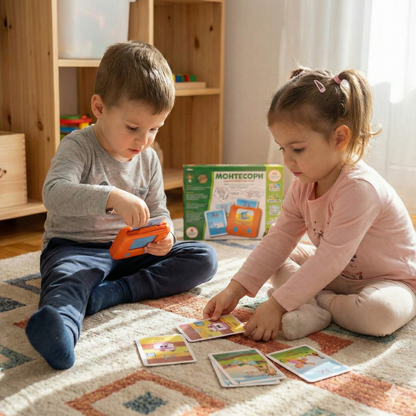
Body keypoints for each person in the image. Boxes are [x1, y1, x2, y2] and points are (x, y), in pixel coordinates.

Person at [25, 41, 218, 370]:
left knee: (204, 258)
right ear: (99, 107)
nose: (144, 140)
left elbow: (159, 211)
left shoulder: (149, 159)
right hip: (77, 249)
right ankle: (60, 332)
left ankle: (111, 293)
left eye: (155, 129)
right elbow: (53, 193)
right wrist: (111, 197)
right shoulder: (78, 146)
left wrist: (166, 235)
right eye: (133, 128)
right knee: (68, 285)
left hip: (132, 253)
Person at [203, 67, 416, 342]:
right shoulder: (304, 181)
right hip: (335, 274)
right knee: (275, 256)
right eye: (282, 148)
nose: (287, 160)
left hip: (388, 281)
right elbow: (279, 238)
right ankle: (312, 304)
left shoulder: (360, 189)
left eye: (298, 149)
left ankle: (317, 304)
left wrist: (278, 304)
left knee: (379, 315)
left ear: (339, 138)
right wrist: (234, 290)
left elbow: (330, 259)